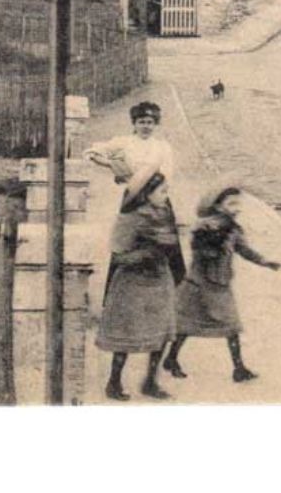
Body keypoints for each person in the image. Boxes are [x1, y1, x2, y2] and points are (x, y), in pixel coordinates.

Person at [161, 187, 281, 384]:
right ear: (217, 206)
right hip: (199, 285)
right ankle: (172, 358)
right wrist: (213, 244)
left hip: (220, 284)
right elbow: (200, 252)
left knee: (231, 326)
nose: (237, 208)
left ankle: (238, 368)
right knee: (187, 326)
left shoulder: (233, 228)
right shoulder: (204, 227)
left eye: (238, 203)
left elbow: (243, 249)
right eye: (231, 203)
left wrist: (264, 262)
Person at [96, 171, 178, 400]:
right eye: (162, 191)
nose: (166, 196)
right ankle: (113, 383)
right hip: (133, 285)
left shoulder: (164, 214)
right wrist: (145, 254)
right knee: (126, 335)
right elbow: (119, 256)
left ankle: (150, 382)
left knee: (161, 333)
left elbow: (172, 246)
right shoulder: (130, 218)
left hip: (160, 281)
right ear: (146, 193)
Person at [85, 101, 185, 284]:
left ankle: (170, 286)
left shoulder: (162, 146)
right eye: (141, 122)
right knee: (128, 239)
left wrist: (155, 188)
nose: (145, 126)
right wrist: (113, 165)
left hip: (157, 196)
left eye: (149, 122)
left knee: (163, 238)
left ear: (155, 124)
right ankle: (123, 287)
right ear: (134, 123)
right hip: (133, 196)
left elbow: (167, 173)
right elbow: (93, 151)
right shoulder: (124, 142)